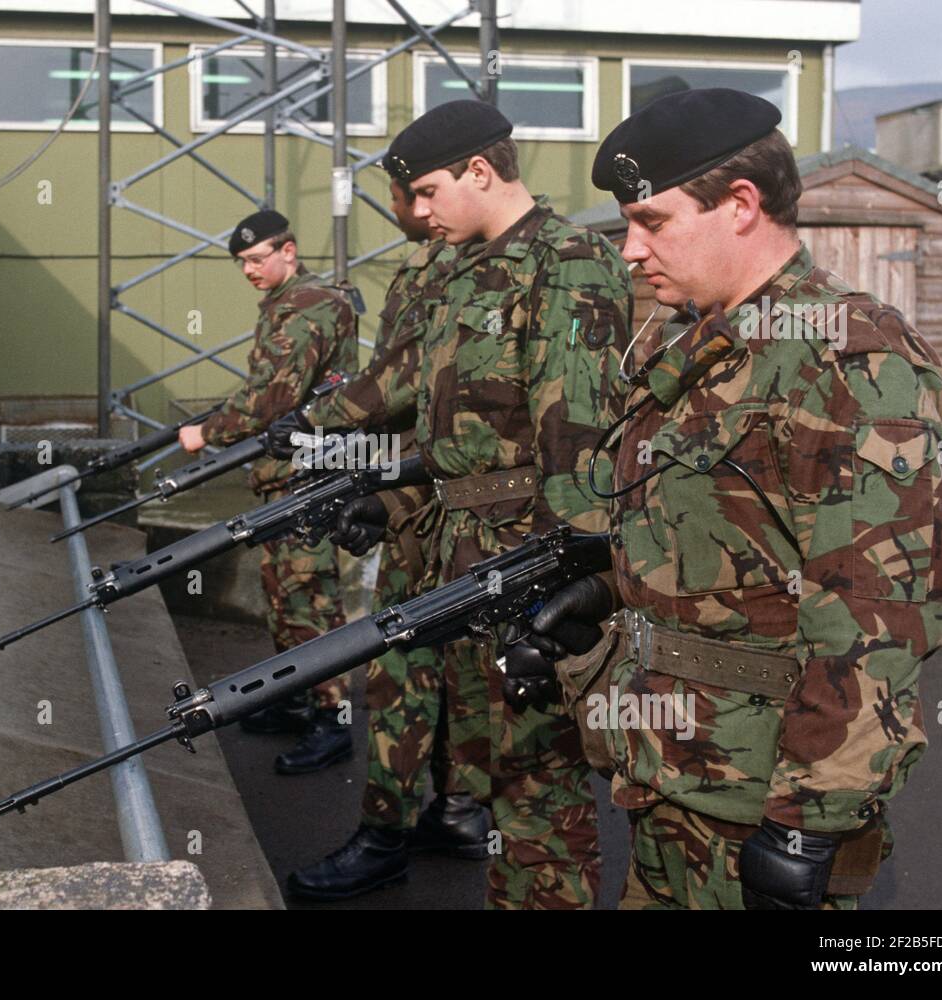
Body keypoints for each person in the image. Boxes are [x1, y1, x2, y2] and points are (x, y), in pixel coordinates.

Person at [516, 88, 942, 909]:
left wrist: (806, 827)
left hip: (760, 799)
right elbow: (718, 542)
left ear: (742, 205)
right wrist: (606, 585)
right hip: (670, 772)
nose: (630, 252)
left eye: (652, 221)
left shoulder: (847, 357)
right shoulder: (699, 346)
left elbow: (876, 615)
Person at [329, 100, 633, 908]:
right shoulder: (462, 270)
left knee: (539, 790)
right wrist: (392, 503)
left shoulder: (566, 263)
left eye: (427, 191)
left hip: (524, 567)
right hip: (457, 557)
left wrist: (563, 593)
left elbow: (578, 453)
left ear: (480, 170)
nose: (417, 213)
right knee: (495, 775)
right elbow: (459, 440)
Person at [272, 179, 492, 901]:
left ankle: (389, 834)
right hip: (432, 500)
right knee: (448, 671)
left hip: (452, 512)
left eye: (411, 195)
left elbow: (398, 384)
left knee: (404, 670)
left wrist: (319, 426)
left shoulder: (450, 265)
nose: (409, 212)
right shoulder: (463, 263)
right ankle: (454, 812)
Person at [180, 209, 359, 773]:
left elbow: (269, 400)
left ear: (290, 250)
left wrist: (205, 431)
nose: (250, 270)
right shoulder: (290, 305)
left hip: (309, 476)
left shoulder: (308, 307)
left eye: (258, 259)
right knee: (284, 593)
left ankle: (335, 719)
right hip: (288, 476)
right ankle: (298, 697)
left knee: (309, 597)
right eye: (242, 263)